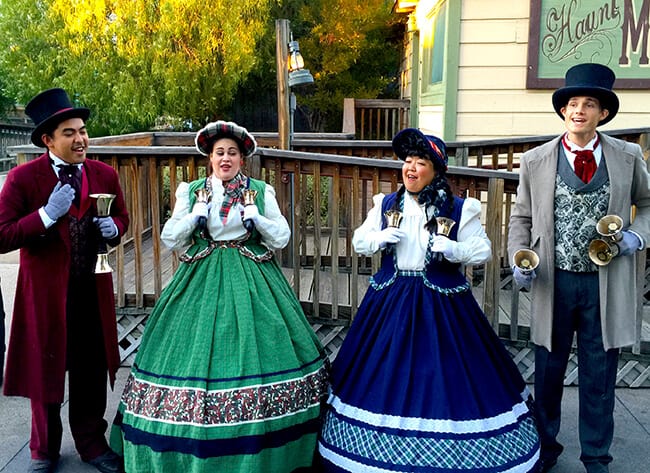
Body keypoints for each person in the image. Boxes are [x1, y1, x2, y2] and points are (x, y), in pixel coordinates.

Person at [110, 120, 329, 472]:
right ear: (209, 158)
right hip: (202, 272)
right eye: (219, 153)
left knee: (261, 347)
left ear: (243, 158)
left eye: (232, 153)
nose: (225, 159)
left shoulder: (259, 190)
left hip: (251, 274)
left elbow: (282, 237)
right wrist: (195, 215)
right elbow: (171, 237)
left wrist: (256, 218)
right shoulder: (193, 190)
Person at [318, 128, 540, 472]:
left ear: (436, 170)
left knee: (446, 374)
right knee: (378, 372)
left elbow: (482, 250)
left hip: (442, 305)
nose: (410, 168)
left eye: (420, 162)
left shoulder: (459, 207)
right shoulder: (386, 203)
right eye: (407, 161)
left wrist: (455, 249)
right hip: (391, 300)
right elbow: (359, 241)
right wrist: (377, 237)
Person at [508, 63, 650, 473]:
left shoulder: (627, 156)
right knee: (548, 371)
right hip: (554, 282)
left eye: (590, 104)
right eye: (573, 103)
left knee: (599, 377)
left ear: (603, 113)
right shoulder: (536, 160)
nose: (580, 110)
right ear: (563, 111)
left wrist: (635, 237)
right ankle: (546, 449)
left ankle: (596, 457)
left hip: (605, 287)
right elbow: (521, 218)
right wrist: (519, 258)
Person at [0, 88, 129, 473]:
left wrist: (115, 227)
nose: (81, 140)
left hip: (91, 290)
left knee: (90, 369)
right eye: (70, 133)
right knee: (46, 372)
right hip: (45, 294)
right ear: (48, 140)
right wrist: (44, 216)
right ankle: (43, 450)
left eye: (83, 131)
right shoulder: (24, 179)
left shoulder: (103, 173)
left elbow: (122, 217)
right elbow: (2, 234)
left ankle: (92, 444)